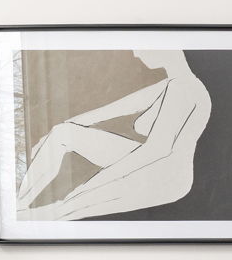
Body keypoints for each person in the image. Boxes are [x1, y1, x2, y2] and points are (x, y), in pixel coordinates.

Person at [17, 50, 211, 220]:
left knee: (66, 207)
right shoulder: (169, 85)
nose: (136, 53)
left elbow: (156, 150)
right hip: (150, 165)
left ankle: (20, 216)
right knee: (63, 134)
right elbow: (112, 110)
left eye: (141, 47)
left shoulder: (184, 89)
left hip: (162, 176)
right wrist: (56, 132)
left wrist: (96, 182)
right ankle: (19, 205)